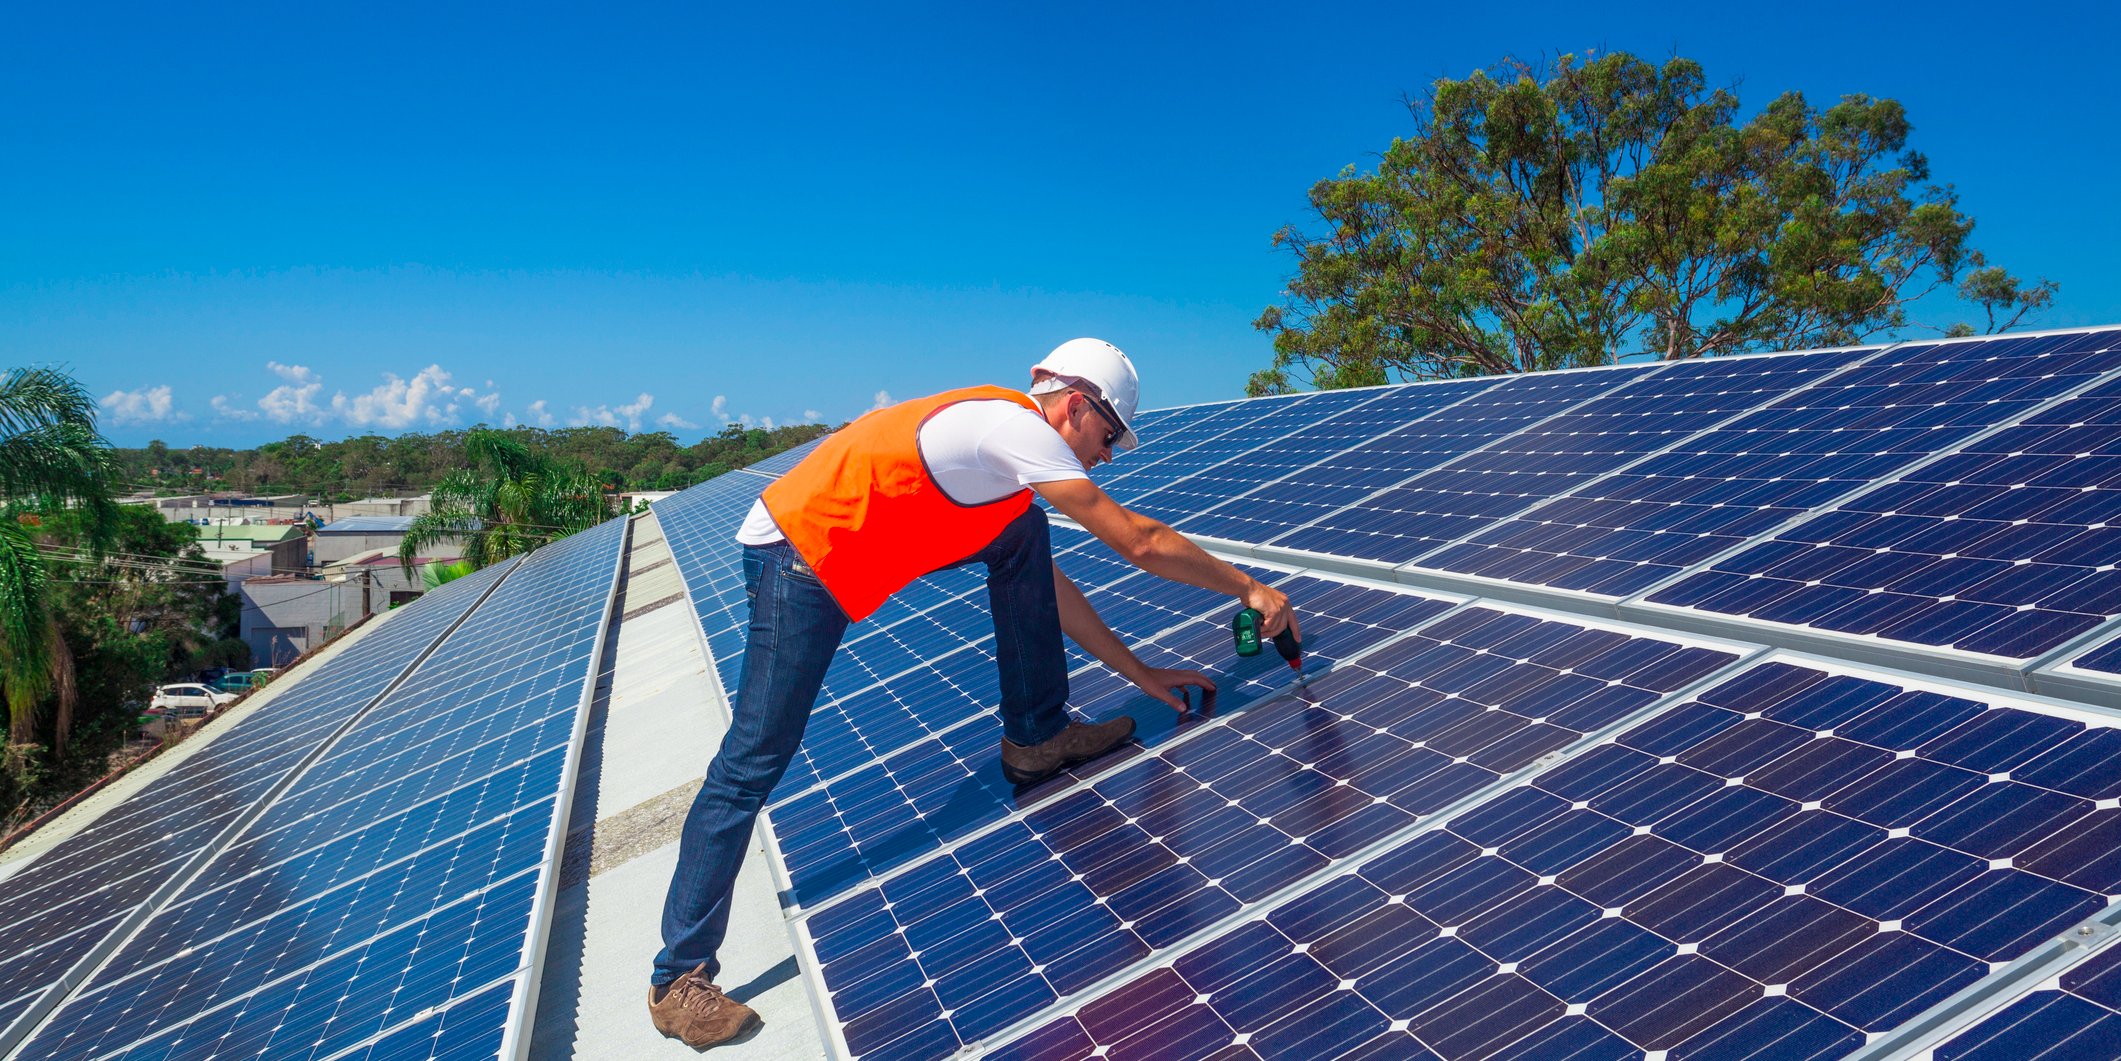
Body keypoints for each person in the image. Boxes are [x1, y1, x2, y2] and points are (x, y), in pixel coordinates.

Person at [646, 338, 1301, 1048]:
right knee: (754, 758)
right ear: (1075, 405)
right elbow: (1137, 541)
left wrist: (1141, 673)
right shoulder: (1012, 429)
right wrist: (1249, 587)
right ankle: (676, 975)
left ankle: (1036, 735)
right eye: (1108, 435)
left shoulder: (1005, 475)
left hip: (842, 546)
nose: (1107, 454)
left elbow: (1052, 591)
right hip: (799, 555)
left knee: (1024, 535)